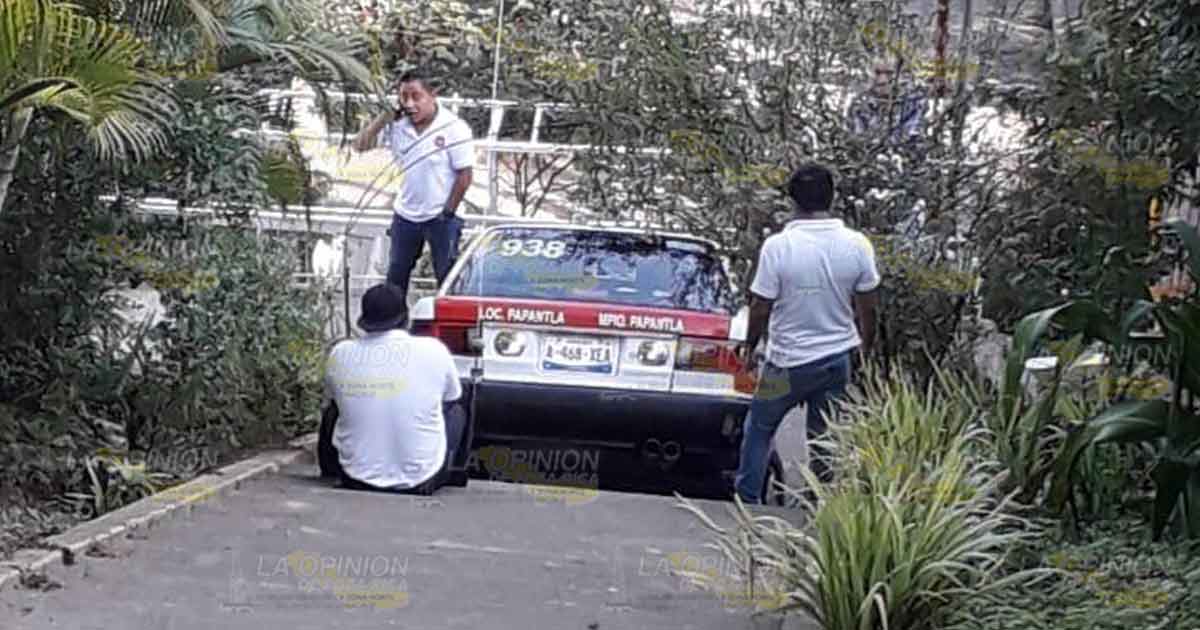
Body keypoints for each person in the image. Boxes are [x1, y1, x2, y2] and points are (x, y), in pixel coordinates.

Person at [733, 164, 881, 504]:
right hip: (835, 360)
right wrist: (865, 352)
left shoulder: (779, 246)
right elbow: (869, 307)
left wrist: (749, 346)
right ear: (833, 197)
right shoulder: (857, 245)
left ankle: (748, 502)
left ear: (792, 201)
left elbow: (760, 306)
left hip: (784, 363)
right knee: (823, 436)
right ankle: (818, 506)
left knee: (759, 428)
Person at [319, 283, 467, 495]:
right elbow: (452, 397)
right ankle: (452, 471)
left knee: (334, 408)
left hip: (355, 477)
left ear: (364, 320)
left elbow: (332, 401)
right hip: (420, 480)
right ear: (405, 319)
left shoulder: (340, 353)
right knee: (457, 411)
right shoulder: (434, 349)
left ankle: (330, 470)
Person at [353, 69, 475, 301]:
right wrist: (383, 119)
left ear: (432, 95)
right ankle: (395, 326)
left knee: (447, 277)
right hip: (406, 214)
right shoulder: (398, 126)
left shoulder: (454, 128)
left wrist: (447, 213)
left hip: (441, 215)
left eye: (416, 96)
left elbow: (465, 176)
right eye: (404, 97)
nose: (409, 104)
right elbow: (359, 145)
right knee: (396, 276)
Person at [847, 58, 928, 148]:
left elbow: (911, 134)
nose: (883, 80)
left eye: (889, 73)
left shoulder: (913, 103)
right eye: (878, 73)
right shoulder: (860, 103)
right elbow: (855, 137)